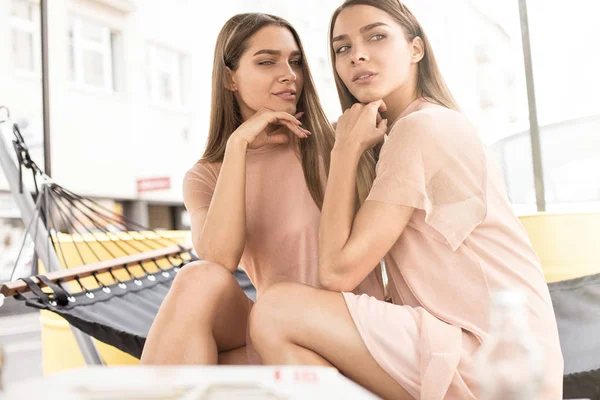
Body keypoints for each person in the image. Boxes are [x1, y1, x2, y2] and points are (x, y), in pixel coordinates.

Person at [248, 1, 564, 399]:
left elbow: (336, 273)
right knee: (280, 325)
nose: (357, 54)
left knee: (277, 311)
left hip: (492, 356)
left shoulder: (422, 128)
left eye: (376, 36)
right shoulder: (408, 130)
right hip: (483, 347)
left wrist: (344, 150)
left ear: (416, 49)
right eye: (342, 48)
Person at [140, 12, 384, 366]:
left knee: (207, 367)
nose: (289, 75)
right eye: (267, 61)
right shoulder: (206, 176)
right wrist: (238, 146)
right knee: (198, 278)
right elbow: (219, 260)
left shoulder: (340, 142)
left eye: (295, 62)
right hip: (278, 331)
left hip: (354, 328)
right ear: (230, 78)